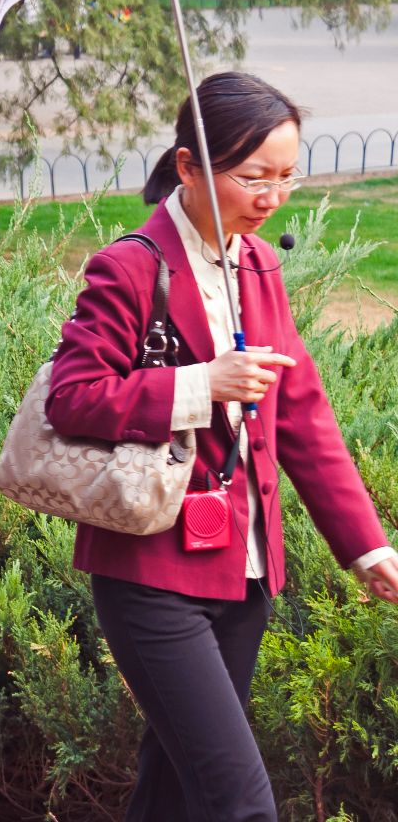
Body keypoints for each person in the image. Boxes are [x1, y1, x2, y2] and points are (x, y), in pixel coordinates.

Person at [46, 73, 398, 821]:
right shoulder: (133, 265)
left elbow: (301, 413)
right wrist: (201, 383)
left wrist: (366, 545)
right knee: (241, 804)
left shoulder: (259, 265)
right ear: (187, 166)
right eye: (252, 177)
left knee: (174, 792)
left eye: (287, 177)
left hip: (242, 577)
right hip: (148, 573)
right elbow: (73, 397)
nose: (273, 196)